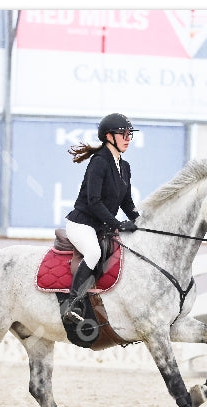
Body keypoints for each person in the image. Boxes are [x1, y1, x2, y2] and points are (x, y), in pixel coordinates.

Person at [62, 113, 141, 324]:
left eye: (130, 135)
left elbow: (127, 202)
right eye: (123, 134)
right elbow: (94, 201)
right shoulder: (99, 162)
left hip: (101, 227)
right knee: (94, 253)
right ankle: (72, 304)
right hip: (81, 224)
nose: (128, 139)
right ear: (109, 136)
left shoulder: (125, 166)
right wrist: (117, 224)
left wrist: (140, 221)